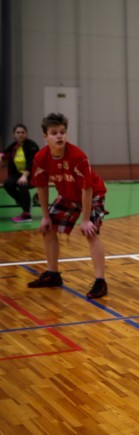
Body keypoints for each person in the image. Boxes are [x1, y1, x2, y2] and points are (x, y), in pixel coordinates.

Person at [28, 113, 109, 299]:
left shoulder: (77, 157)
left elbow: (87, 189)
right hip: (68, 196)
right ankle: (53, 274)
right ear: (45, 137)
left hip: (92, 194)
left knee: (91, 232)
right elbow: (41, 186)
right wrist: (45, 216)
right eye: (54, 133)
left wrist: (86, 220)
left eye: (62, 132)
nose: (59, 136)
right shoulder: (41, 158)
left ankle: (100, 281)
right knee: (48, 228)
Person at [1, 123, 40, 222]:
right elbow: (5, 153)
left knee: (22, 183)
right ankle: (26, 203)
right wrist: (2, 156)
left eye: (23, 132)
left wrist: (25, 176)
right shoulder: (14, 146)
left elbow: (32, 163)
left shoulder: (32, 146)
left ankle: (26, 214)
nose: (20, 134)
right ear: (14, 135)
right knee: (7, 184)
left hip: (32, 174)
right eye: (18, 132)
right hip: (18, 174)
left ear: (26, 134)